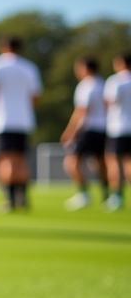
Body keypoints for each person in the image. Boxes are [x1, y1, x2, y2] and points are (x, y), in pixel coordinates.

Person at [0, 36, 42, 212]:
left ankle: (10, 200)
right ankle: (23, 197)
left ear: (3, 47)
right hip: (24, 121)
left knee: (6, 161)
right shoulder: (30, 67)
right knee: (21, 161)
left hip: (3, 120)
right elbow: (36, 97)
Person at [61, 56, 108, 210]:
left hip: (88, 129)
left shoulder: (86, 85)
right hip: (104, 128)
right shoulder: (103, 84)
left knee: (71, 162)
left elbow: (82, 112)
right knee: (101, 163)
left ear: (85, 68)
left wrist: (71, 131)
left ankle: (83, 195)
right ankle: (108, 195)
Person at [103, 52, 131, 211]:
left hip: (118, 127)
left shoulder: (116, 81)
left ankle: (117, 197)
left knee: (114, 163)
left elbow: (110, 102)